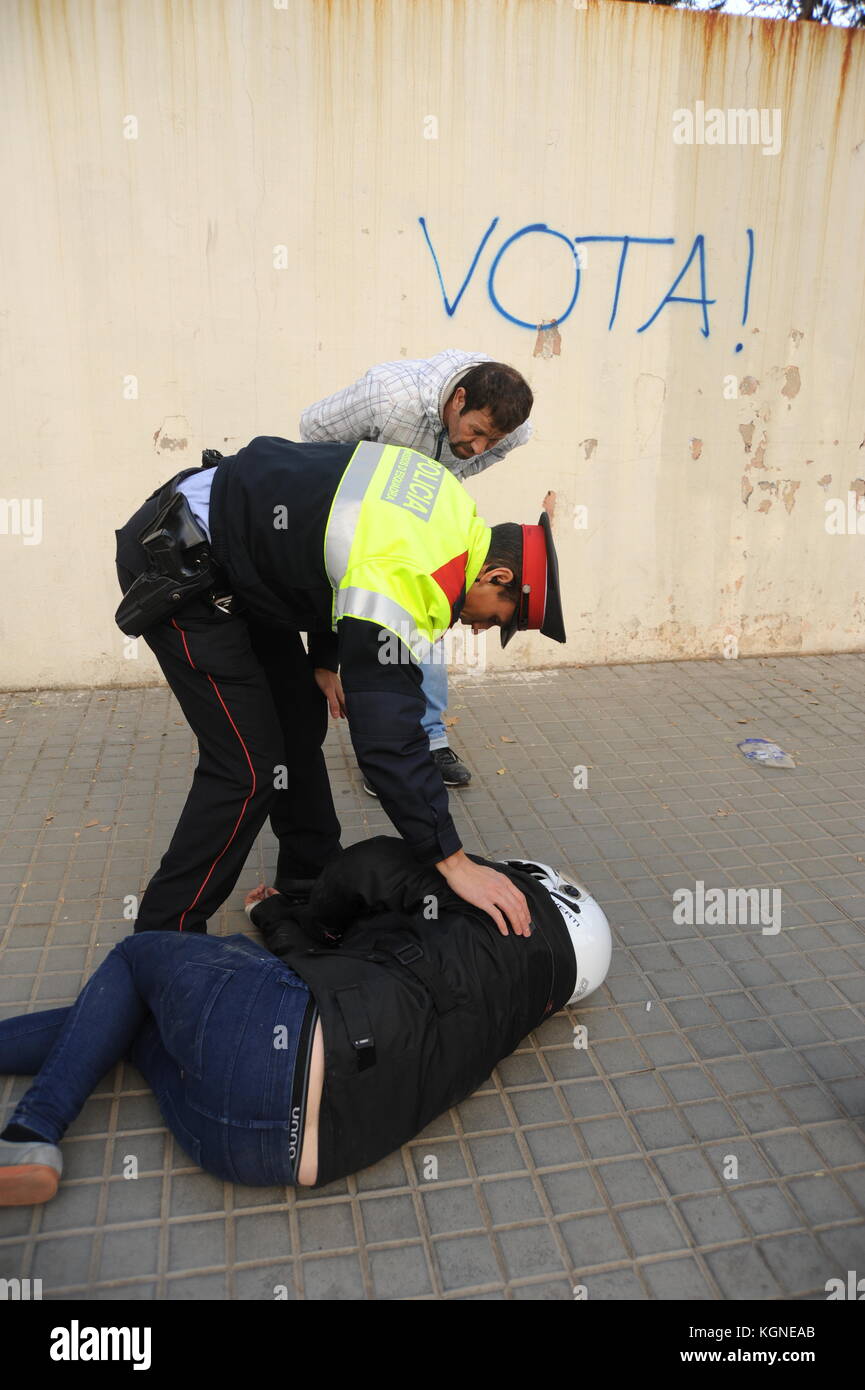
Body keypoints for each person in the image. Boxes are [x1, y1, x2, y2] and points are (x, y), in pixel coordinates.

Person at [113, 435, 564, 936]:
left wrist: (325, 658)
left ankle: (307, 882)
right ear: (498, 576)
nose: (482, 629)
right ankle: (162, 938)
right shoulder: (411, 580)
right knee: (246, 768)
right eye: (502, 619)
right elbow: (388, 742)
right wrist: (453, 861)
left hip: (243, 562)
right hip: (181, 565)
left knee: (299, 723)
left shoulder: (449, 507)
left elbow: (342, 534)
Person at [0, 836, 611, 1203]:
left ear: (532, 883)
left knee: (138, 962)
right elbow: (359, 985)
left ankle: (31, 1134)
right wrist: (281, 929)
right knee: (137, 1023)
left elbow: (365, 870)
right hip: (262, 1154)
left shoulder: (482, 895)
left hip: (280, 1030)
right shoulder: (517, 1014)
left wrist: (298, 916)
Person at [299, 352, 534, 792]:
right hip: (364, 522)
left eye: (493, 439)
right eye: (476, 431)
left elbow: (472, 460)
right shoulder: (387, 396)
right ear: (458, 399)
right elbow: (312, 432)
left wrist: (455, 463)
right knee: (373, 635)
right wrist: (371, 488)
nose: (482, 445)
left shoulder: (515, 432)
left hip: (425, 525)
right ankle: (381, 751)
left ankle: (429, 738)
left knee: (429, 621)